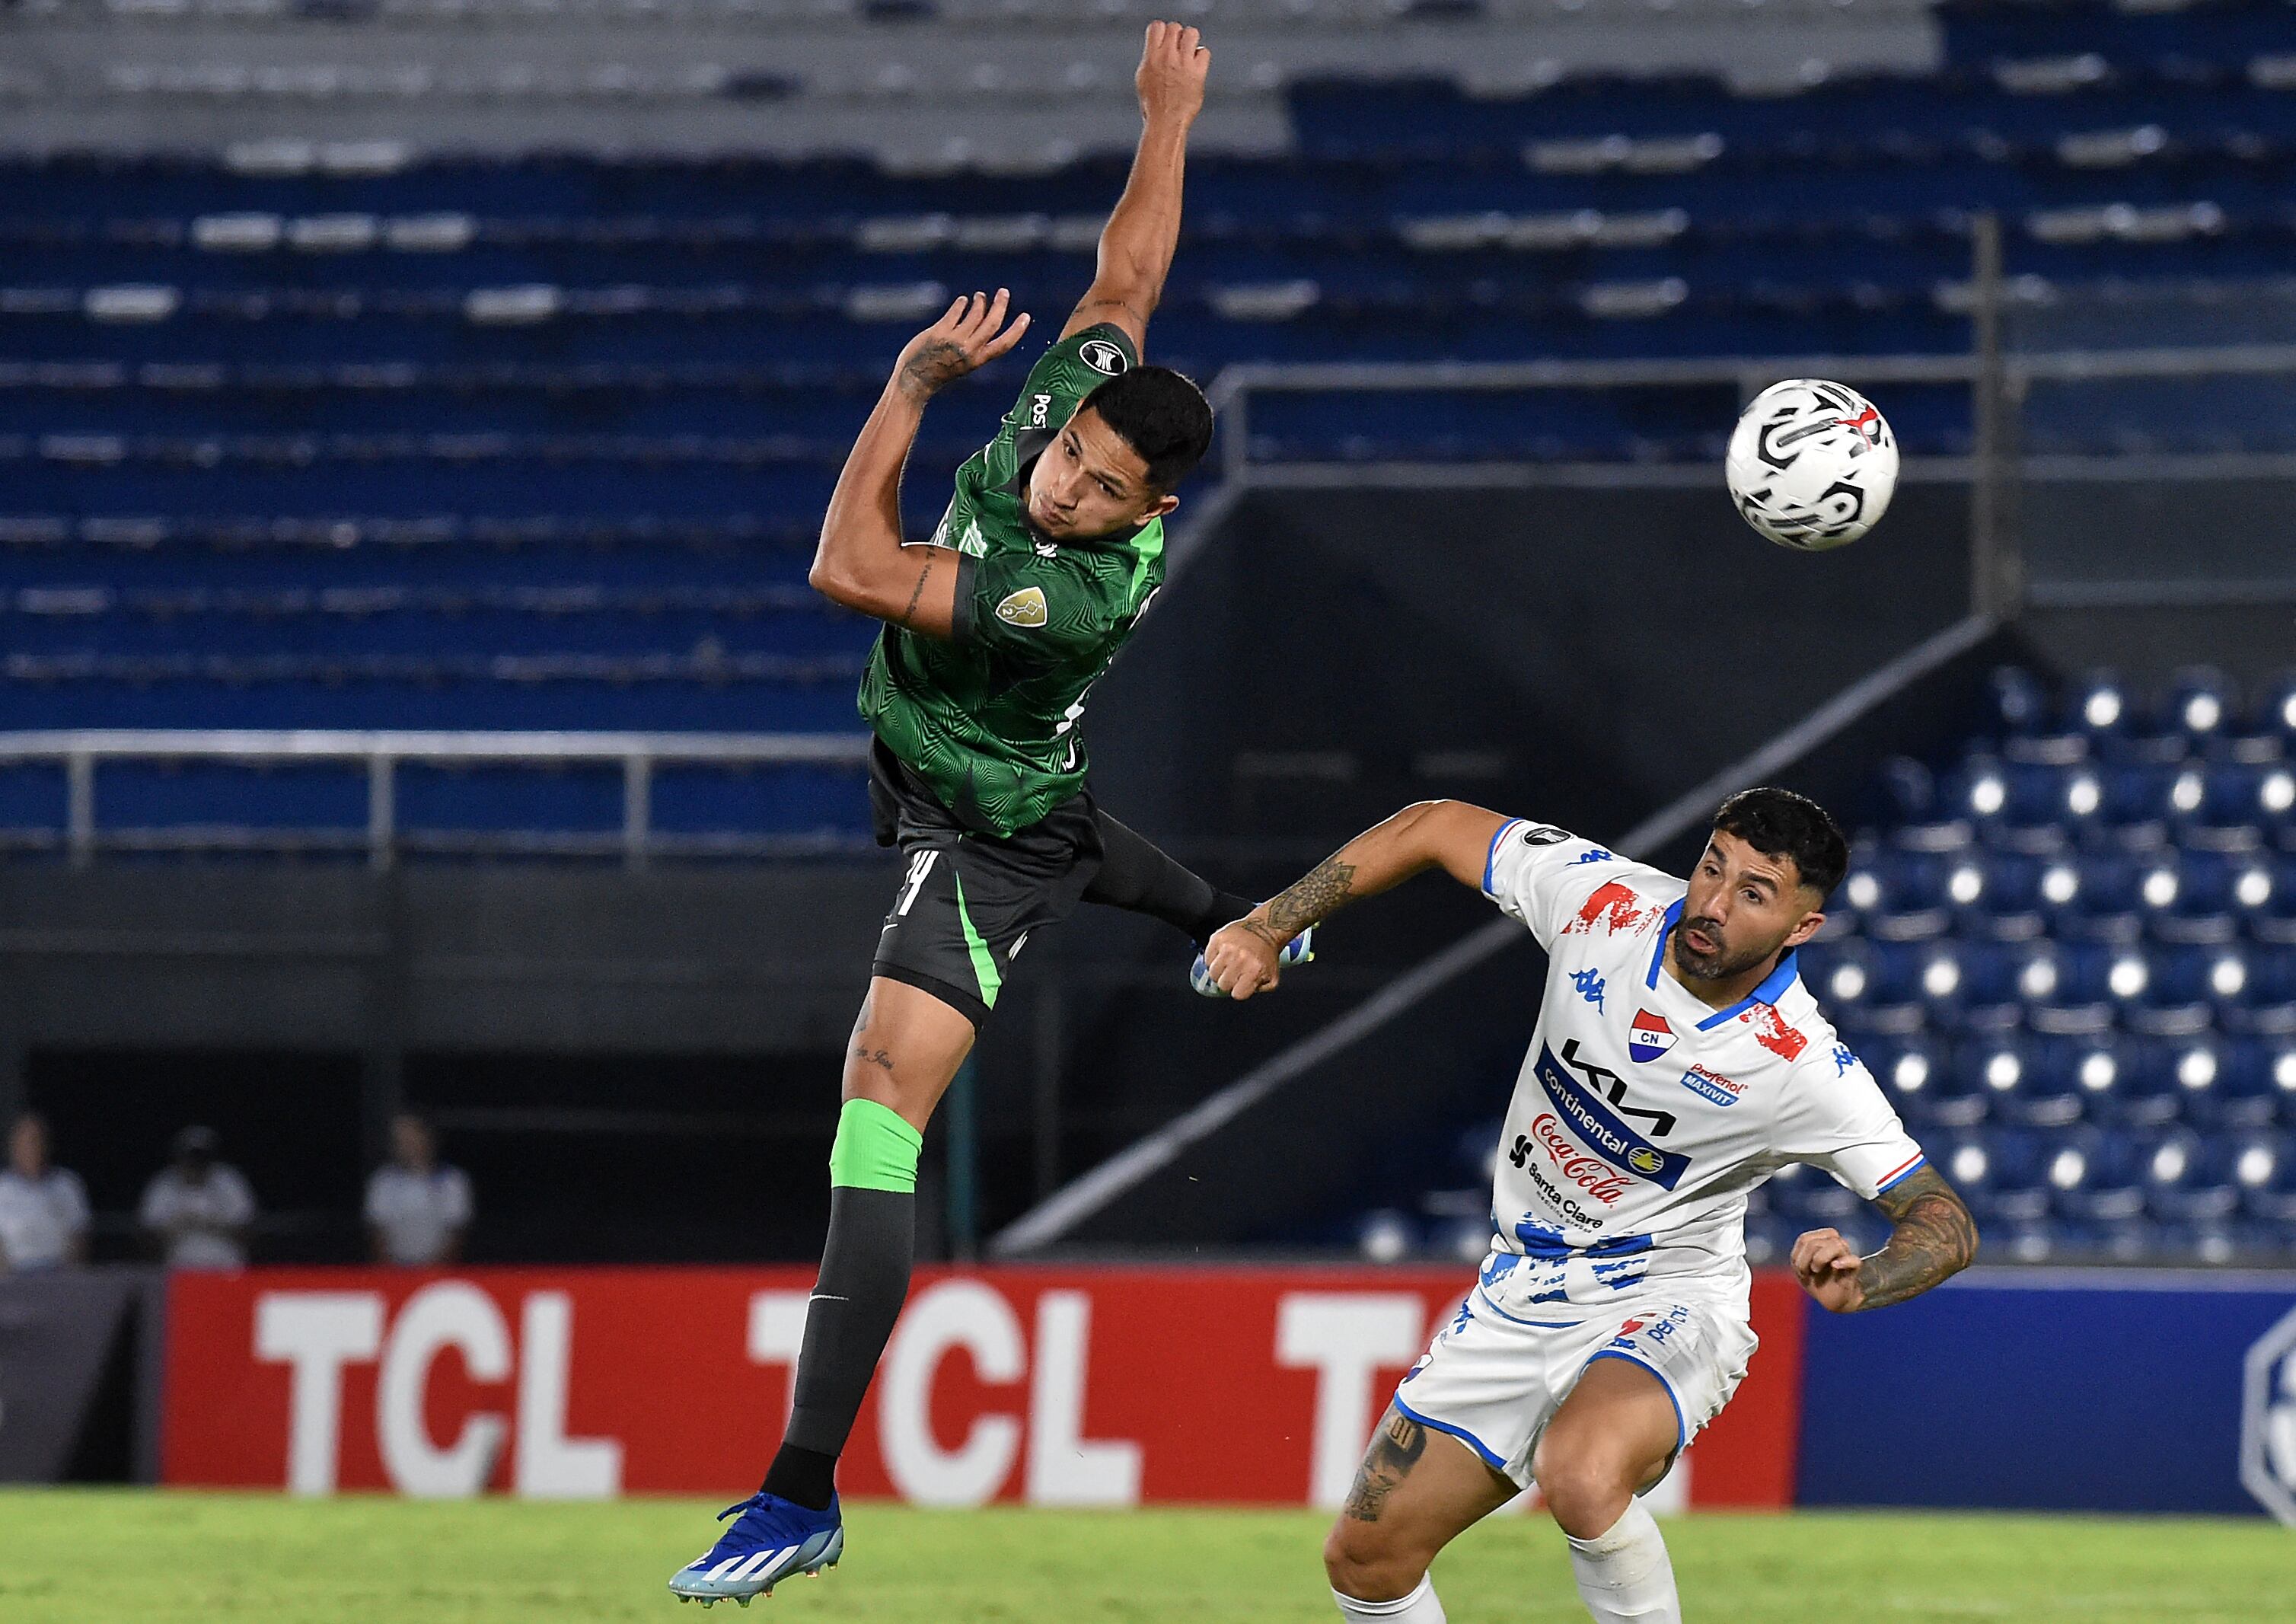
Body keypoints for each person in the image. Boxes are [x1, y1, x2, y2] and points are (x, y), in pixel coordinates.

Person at [669, 20, 1309, 1605]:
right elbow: (1126, 283)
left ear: (1148, 515)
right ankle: (1221, 913)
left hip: (972, 828)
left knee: (876, 1101)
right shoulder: (1080, 402)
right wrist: (1166, 118)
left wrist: (906, 387)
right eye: (1068, 462)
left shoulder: (1068, 590)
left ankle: (797, 1488)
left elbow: (848, 572)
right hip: (981, 784)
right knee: (1062, 818)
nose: (1061, 491)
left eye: (1099, 492)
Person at [1199, 788, 1979, 1624]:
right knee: (1365, 1560)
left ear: (1801, 929)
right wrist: (1271, 920)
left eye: (1753, 892)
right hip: (1518, 1288)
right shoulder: (1603, 906)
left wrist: (1866, 1278)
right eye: (1711, 867)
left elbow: (1943, 1223)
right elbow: (1433, 825)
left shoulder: (1798, 1064)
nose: (1711, 903)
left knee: (1581, 1473)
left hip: (1665, 1297)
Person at [139, 1125, 257, 1270]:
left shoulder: (229, 1181)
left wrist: (213, 1225)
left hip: (226, 1268)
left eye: (201, 1158)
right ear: (180, 1156)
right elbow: (147, 1235)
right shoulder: (164, 1184)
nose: (195, 1164)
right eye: (191, 1157)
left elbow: (247, 1228)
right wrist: (176, 1227)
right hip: (180, 1270)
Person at [365, 1113, 472, 1267]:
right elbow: (378, 1233)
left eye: (410, 1135)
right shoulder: (383, 1181)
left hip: (438, 1274)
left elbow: (457, 1233)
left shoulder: (453, 1181)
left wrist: (432, 1271)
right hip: (394, 1273)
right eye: (399, 1138)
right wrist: (392, 1271)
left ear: (426, 1137)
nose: (404, 1143)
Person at [0, 1112, 91, 1269]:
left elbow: (80, 1236)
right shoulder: (3, 1187)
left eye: (36, 1140)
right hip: (14, 1276)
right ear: (14, 1147)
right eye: (26, 1142)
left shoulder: (67, 1184)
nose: (32, 1148)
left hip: (59, 1274)